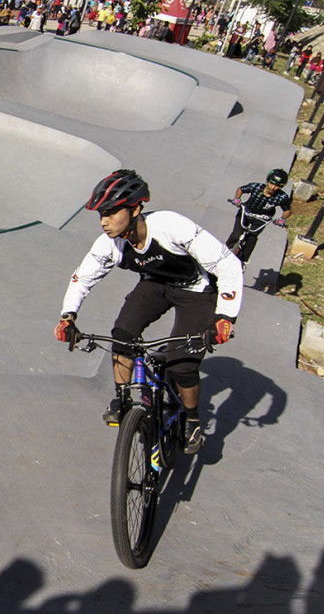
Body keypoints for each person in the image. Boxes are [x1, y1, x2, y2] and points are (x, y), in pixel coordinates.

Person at [55, 170, 243, 454]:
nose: (104, 222)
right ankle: (123, 398)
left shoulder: (171, 226)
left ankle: (192, 419)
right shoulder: (110, 243)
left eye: (111, 213)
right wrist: (68, 316)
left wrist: (224, 316)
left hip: (195, 291)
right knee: (122, 335)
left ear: (135, 209)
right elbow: (82, 278)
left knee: (182, 364)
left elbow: (227, 264)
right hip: (155, 286)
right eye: (101, 215)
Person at [226, 169, 292, 265]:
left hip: (262, 218)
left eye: (278, 186)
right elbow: (241, 189)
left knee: (252, 237)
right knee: (236, 234)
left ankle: (243, 261)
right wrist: (237, 199)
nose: (273, 187)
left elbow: (287, 210)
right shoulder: (256, 187)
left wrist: (282, 219)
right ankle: (224, 251)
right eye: (271, 183)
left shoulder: (282, 197)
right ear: (267, 181)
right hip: (246, 213)